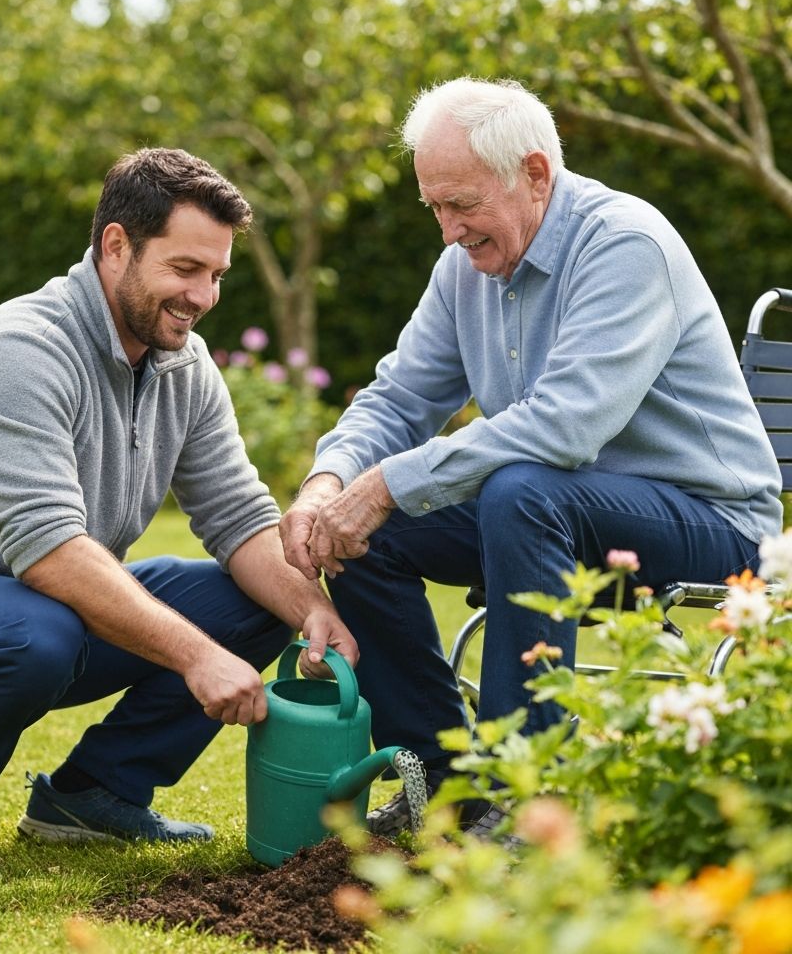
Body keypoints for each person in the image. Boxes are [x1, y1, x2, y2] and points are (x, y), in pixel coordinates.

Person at [0, 147, 358, 877]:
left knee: (254, 601)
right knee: (37, 628)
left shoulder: (185, 368)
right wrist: (197, 657)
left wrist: (309, 608)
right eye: (184, 270)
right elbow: (46, 552)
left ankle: (93, 794)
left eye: (217, 276)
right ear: (115, 246)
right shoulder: (22, 350)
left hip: (38, 615)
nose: (203, 296)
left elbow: (237, 517)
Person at [279, 77, 783, 840]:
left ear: (536, 173)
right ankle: (444, 784)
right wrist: (331, 483)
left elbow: (564, 428)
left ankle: (526, 792)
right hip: (558, 512)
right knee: (364, 535)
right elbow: (397, 399)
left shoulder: (625, 244)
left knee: (521, 488)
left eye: (463, 204)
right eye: (435, 208)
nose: (448, 230)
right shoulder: (464, 269)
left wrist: (389, 482)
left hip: (713, 526)